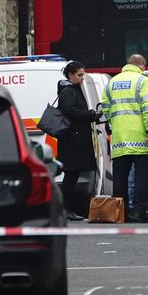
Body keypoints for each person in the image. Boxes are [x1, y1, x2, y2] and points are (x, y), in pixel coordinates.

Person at [101, 54, 148, 223]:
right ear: (141, 66)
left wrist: (114, 123)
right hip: (140, 136)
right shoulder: (143, 80)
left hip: (119, 137)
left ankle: (120, 213)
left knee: (120, 178)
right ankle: (139, 211)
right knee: (142, 177)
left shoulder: (112, 82)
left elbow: (105, 106)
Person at [56, 61, 102, 221]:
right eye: (79, 75)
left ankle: (69, 209)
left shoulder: (72, 89)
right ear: (70, 75)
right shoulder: (68, 91)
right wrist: (90, 115)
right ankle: (65, 209)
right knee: (71, 176)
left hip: (75, 140)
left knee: (73, 176)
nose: (82, 78)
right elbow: (70, 111)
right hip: (73, 142)